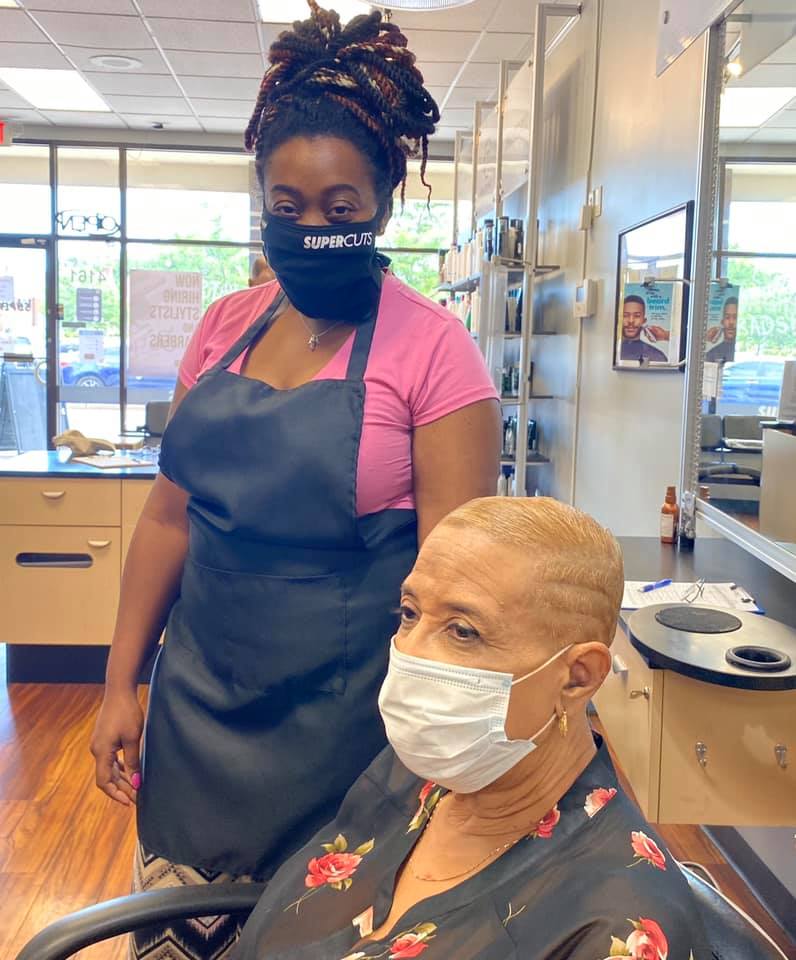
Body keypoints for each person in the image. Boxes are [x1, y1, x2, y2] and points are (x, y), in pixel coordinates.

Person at [89, 4, 501, 958]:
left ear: (383, 206)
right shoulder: (222, 327)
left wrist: (451, 757)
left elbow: (458, 586)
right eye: (288, 206)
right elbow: (168, 519)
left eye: (339, 210)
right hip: (197, 711)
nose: (311, 227)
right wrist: (119, 684)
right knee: (180, 933)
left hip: (349, 732)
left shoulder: (435, 352)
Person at [235, 497, 710, 960]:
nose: (409, 652)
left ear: (577, 677)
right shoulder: (424, 772)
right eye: (409, 613)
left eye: (463, 631)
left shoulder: (613, 930)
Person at [620, 294, 668, 363]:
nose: (631, 321)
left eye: (637, 316)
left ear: (644, 321)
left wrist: (665, 335)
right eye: (625, 315)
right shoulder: (610, 350)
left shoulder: (657, 356)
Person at [706, 296, 738, 363]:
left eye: (735, 317)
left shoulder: (745, 353)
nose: (731, 322)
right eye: (727, 317)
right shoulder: (711, 354)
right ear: (722, 321)